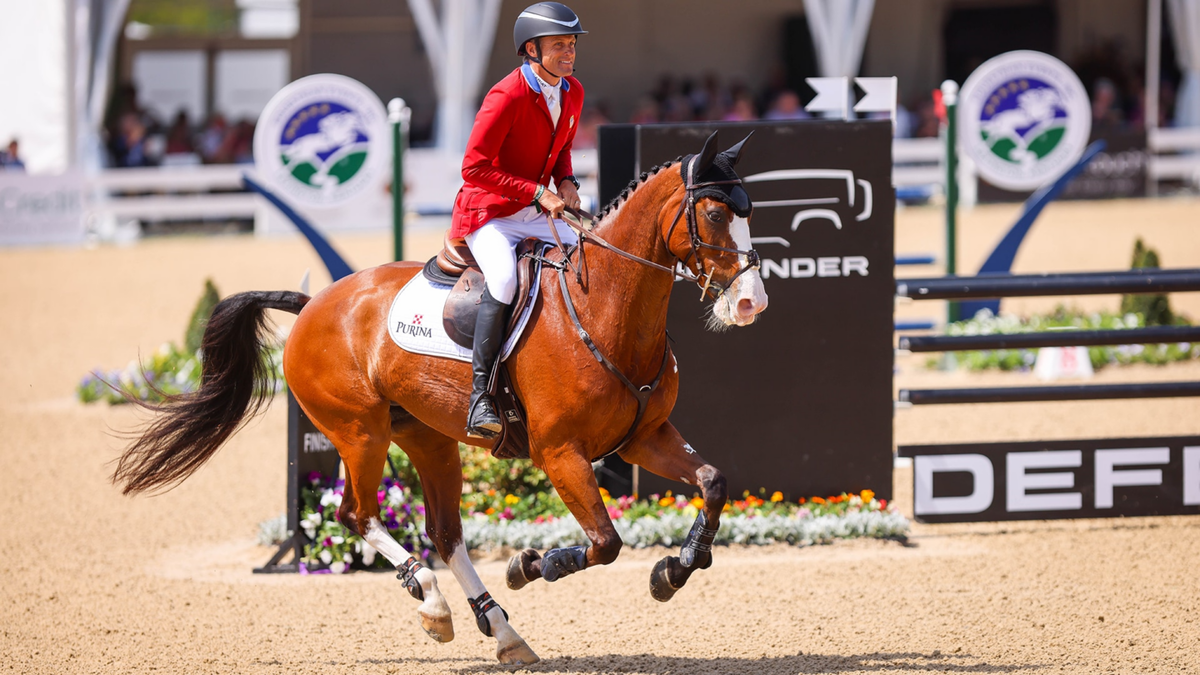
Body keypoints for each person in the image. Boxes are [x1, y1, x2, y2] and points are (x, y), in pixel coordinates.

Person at [450, 1, 586, 439]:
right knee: (505, 278)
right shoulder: (505, 95)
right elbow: (473, 167)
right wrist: (536, 190)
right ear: (532, 49)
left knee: (591, 248)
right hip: (488, 211)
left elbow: (560, 146)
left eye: (572, 44)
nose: (569, 52)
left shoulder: (572, 91)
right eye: (559, 45)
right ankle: (480, 396)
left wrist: (565, 179)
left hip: (534, 206)